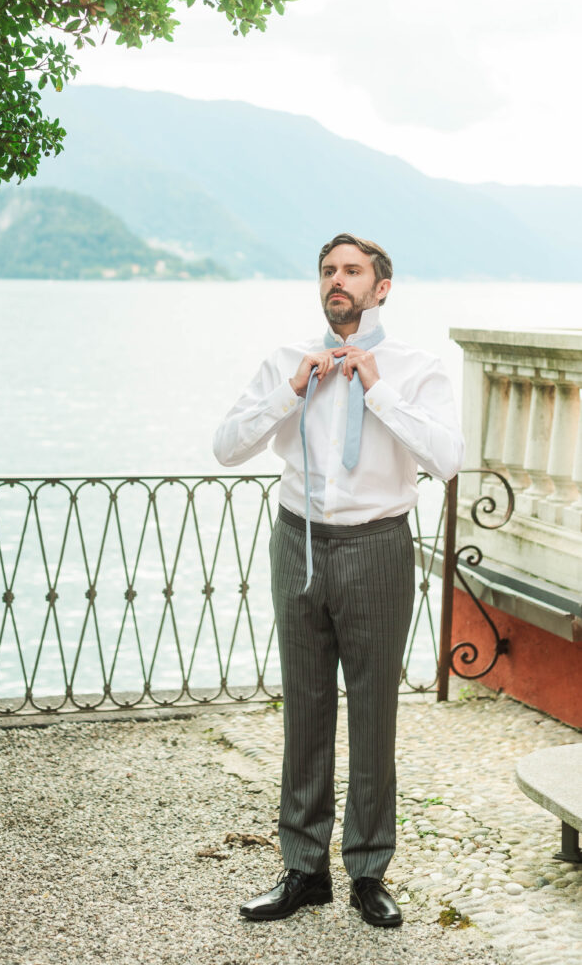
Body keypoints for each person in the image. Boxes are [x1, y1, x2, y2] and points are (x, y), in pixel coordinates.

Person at [213, 233, 464, 927]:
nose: (338, 281)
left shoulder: (416, 370)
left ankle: (369, 871)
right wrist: (290, 394)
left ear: (382, 287)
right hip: (298, 543)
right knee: (305, 707)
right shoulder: (287, 363)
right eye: (329, 270)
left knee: (374, 713)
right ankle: (303, 869)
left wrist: (377, 393)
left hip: (379, 548)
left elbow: (446, 459)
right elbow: (227, 447)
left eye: (352, 271)